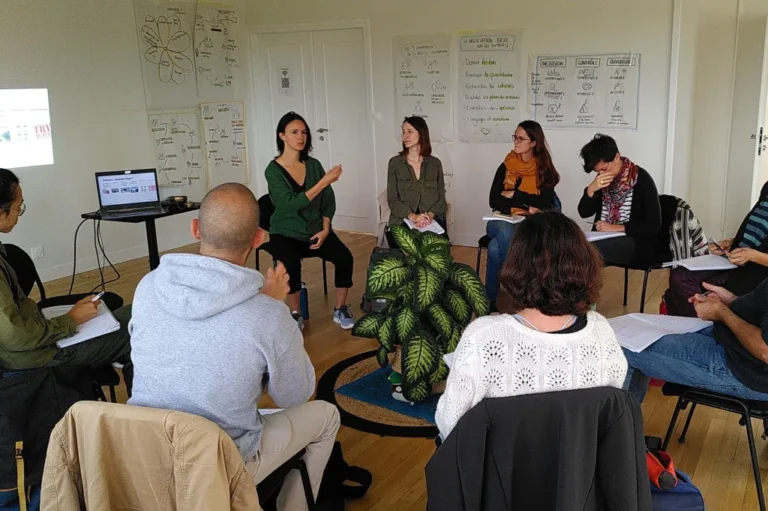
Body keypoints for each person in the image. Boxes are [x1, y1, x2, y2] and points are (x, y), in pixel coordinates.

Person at [128, 183, 340, 511]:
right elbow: (295, 396)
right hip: (218, 465)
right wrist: (276, 313)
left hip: (142, 454)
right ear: (258, 238)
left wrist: (265, 308)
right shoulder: (268, 314)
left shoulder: (148, 286)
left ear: (195, 228)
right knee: (327, 416)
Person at [435, 211, 628, 439]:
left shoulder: (484, 338)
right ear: (585, 265)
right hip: (577, 471)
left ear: (516, 265)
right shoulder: (601, 332)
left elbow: (450, 425)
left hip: (500, 472)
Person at [0, 168, 133, 390]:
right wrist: (71, 320)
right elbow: (16, 337)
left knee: (130, 314)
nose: (19, 215)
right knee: (137, 329)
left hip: (35, 340)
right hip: (36, 358)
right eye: (18, 208)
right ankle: (146, 413)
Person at [265, 111, 355, 330]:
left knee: (345, 258)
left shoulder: (313, 165)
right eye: (294, 132)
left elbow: (328, 201)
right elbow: (290, 204)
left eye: (304, 132)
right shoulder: (273, 170)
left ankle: (340, 309)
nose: (300, 137)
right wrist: (323, 182)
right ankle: (296, 313)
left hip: (316, 229)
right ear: (282, 136)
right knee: (290, 263)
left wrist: (325, 230)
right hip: (285, 231)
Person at [624, 279, 768, 405]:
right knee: (639, 333)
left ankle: (621, 434)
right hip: (735, 345)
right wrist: (732, 300)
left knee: (624, 348)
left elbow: (765, 351)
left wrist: (722, 313)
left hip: (747, 370)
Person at [484, 120, 560, 310]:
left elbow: (543, 202)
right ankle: (522, 289)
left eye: (521, 138)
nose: (516, 142)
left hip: (527, 223)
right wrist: (527, 203)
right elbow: (494, 200)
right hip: (499, 220)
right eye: (515, 137)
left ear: (533, 142)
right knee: (505, 230)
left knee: (494, 248)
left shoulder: (545, 171)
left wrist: (515, 195)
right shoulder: (506, 165)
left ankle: (489, 302)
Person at [666, 181, 768, 316]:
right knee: (680, 276)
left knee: (680, 288)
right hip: (735, 261)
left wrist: (753, 256)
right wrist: (731, 242)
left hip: (755, 272)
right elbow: (757, 228)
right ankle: (700, 326)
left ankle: (705, 327)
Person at [578, 134, 662, 266]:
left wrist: (614, 228)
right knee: (573, 246)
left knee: (588, 252)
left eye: (604, 169)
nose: (601, 174)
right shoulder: (603, 181)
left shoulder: (641, 179)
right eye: (597, 172)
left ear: (616, 157)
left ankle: (583, 286)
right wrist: (591, 189)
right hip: (605, 238)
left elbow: (653, 225)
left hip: (636, 243)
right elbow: (584, 212)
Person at [386, 116, 447, 245]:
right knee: (409, 247)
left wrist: (429, 216)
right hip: (403, 219)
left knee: (438, 252)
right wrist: (413, 217)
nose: (405, 136)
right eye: (403, 132)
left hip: (430, 220)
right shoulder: (395, 163)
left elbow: (441, 199)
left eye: (410, 131)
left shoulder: (435, 164)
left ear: (421, 133)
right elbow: (392, 200)